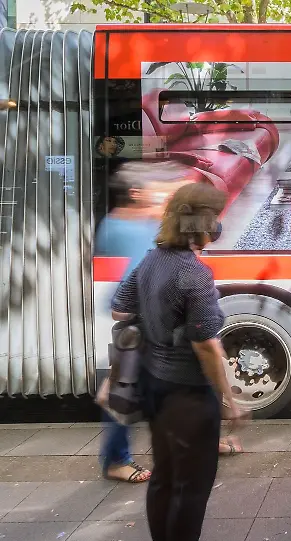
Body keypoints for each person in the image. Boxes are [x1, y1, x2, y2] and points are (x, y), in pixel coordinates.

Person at [112, 182, 245, 541]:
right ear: (202, 223)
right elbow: (206, 345)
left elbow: (121, 310)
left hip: (154, 385)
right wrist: (231, 401)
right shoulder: (195, 274)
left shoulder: (151, 260)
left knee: (165, 478)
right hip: (188, 395)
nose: (218, 226)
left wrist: (156, 322)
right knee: (192, 485)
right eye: (215, 219)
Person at [96, 161, 195, 484]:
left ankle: (194, 438)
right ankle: (116, 460)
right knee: (125, 391)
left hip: (147, 322)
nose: (163, 195)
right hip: (139, 325)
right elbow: (133, 283)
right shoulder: (122, 227)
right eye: (157, 189)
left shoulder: (138, 223)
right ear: (137, 193)